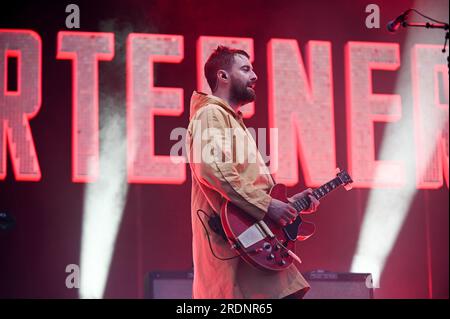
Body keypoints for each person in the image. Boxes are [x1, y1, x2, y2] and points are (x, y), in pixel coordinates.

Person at [186, 45, 320, 299]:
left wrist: (288, 205)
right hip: (237, 251)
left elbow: (243, 187)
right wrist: (267, 205)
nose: (255, 75)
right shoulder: (210, 114)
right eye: (245, 69)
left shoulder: (231, 120)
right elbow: (213, 169)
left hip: (254, 248)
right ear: (222, 76)